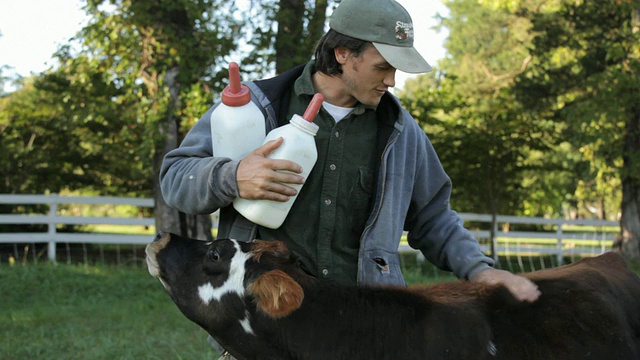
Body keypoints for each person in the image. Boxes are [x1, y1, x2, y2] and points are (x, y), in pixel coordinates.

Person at [160, 0, 540, 356]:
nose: (392, 80)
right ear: (343, 54)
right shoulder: (255, 107)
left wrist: (480, 270)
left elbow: (433, 217)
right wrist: (233, 176)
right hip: (264, 328)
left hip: (364, 331)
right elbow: (176, 177)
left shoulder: (401, 134)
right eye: (383, 66)